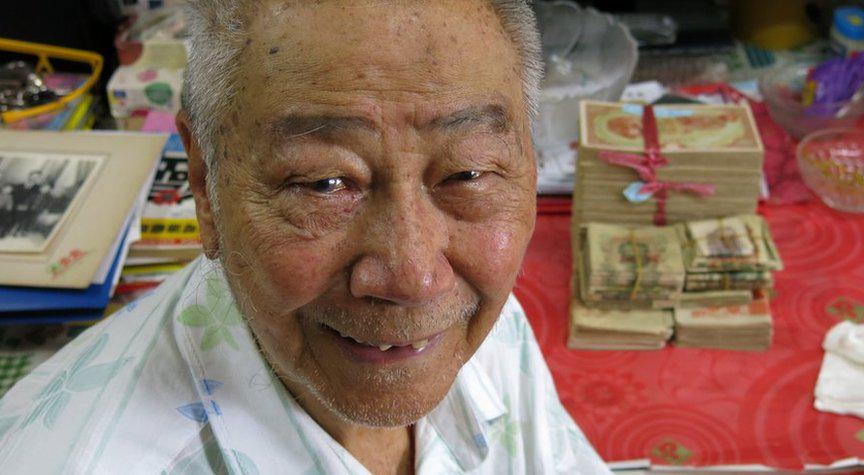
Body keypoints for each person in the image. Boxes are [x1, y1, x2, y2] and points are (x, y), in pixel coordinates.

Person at [0, 1, 611, 473]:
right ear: (206, 184)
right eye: (323, 184)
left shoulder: (488, 318)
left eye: (467, 174)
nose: (415, 277)